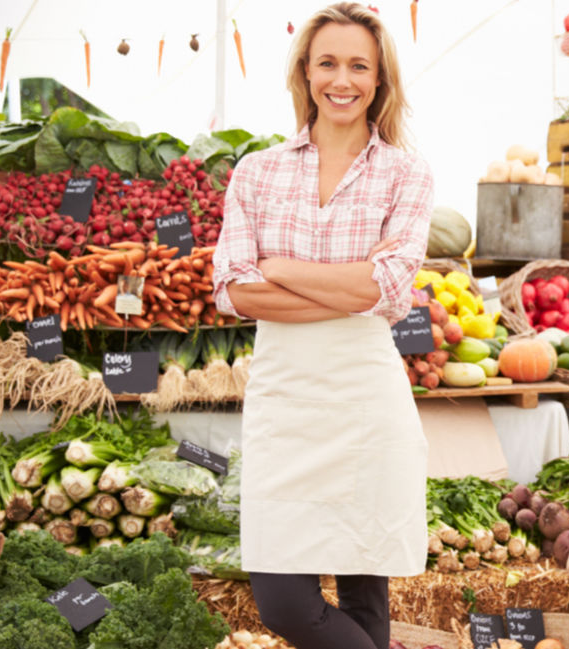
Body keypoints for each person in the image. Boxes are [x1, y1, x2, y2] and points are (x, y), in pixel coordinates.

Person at [211, 4, 432, 648]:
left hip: (366, 397)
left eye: (359, 65)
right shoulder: (257, 170)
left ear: (380, 78)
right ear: (304, 73)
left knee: (366, 594)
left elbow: (386, 284)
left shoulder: (405, 173)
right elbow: (236, 292)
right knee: (283, 602)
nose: (343, 79)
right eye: (328, 63)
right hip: (287, 400)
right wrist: (348, 287)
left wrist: (282, 268)